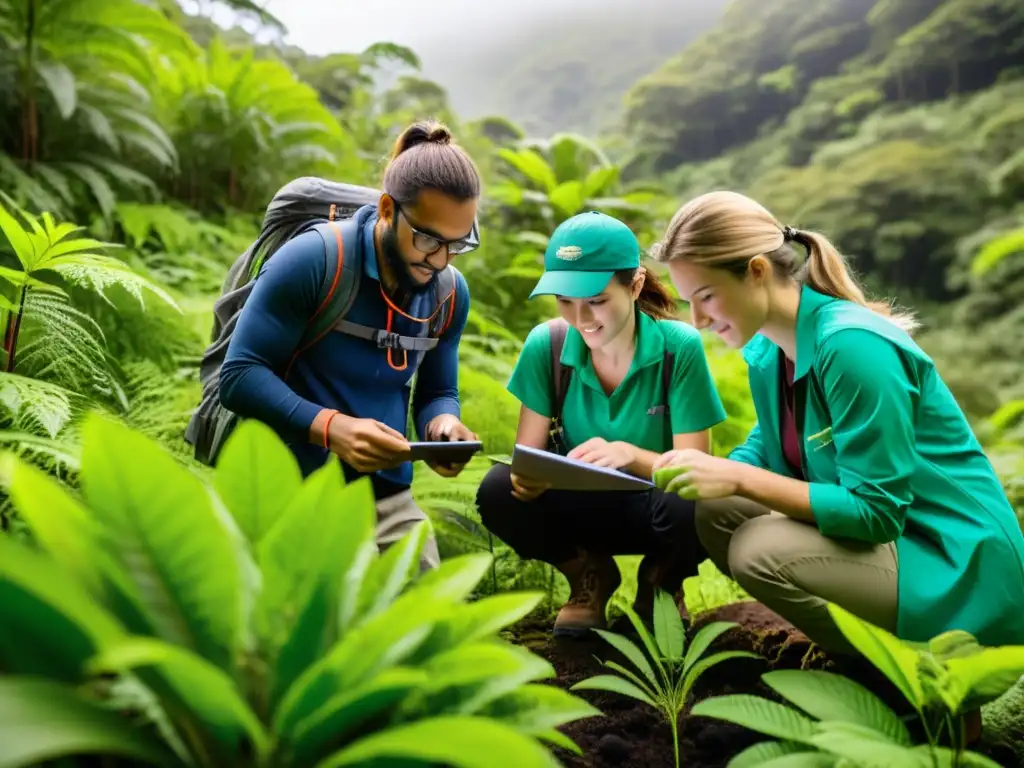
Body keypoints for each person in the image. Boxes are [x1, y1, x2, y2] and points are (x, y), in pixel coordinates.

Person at [649, 189, 1024, 660]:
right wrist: (694, 471)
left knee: (756, 549)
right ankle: (850, 651)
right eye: (689, 302)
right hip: (894, 547)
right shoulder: (769, 349)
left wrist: (739, 476)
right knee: (717, 510)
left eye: (706, 297)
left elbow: (877, 511)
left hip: (953, 563)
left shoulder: (850, 346)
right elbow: (768, 447)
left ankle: (914, 684)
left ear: (757, 272)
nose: (698, 320)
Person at [219, 121, 481, 572]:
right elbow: (239, 375)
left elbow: (437, 391)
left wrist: (443, 427)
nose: (440, 260)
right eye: (428, 239)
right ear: (386, 209)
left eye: (458, 244)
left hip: (386, 496)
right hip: (289, 485)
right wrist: (332, 428)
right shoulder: (316, 261)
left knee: (423, 621)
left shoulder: (449, 294)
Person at [476, 211, 728, 636]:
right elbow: (529, 458)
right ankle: (587, 576)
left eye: (596, 301)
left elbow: (695, 466)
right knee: (498, 491)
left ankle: (662, 582)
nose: (582, 319)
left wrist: (629, 456)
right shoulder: (549, 345)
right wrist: (527, 479)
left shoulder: (676, 348)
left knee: (694, 501)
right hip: (579, 508)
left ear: (634, 286)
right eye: (565, 302)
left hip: (657, 509)